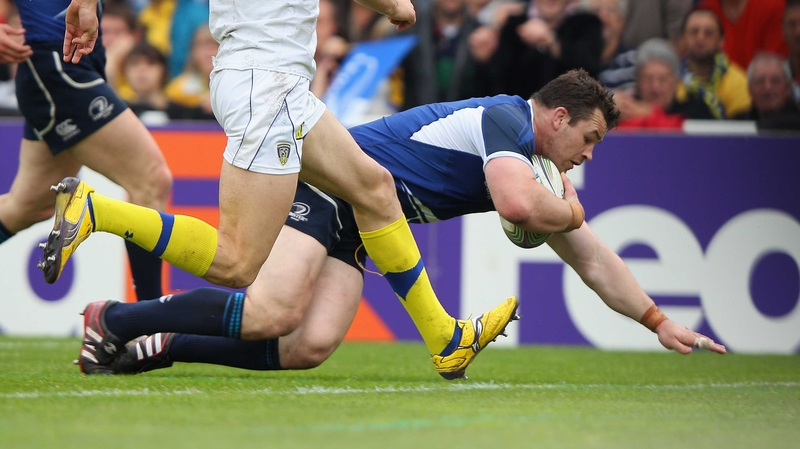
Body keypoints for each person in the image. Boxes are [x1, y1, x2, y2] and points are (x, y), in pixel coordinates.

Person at [76, 70, 726, 377]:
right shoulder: (509, 120)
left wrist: (657, 319)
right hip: (330, 186)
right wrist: (574, 208)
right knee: (269, 308)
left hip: (359, 225)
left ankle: (160, 345)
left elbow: (591, 258)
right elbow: (519, 207)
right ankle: (116, 316)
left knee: (310, 344)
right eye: (589, 139)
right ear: (558, 117)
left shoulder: (536, 163)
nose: (587, 155)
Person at [51, 0, 518, 380]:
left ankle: (444, 337)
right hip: (265, 83)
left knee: (375, 188)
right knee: (236, 262)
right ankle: (96, 212)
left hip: (278, 83)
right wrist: (393, 5)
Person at [0, 0, 171, 302]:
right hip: (56, 59)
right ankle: (149, 325)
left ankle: (147, 322)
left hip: (72, 56)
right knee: (151, 180)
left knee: (30, 204)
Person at [615, 38, 714, 129]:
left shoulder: (695, 109)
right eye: (648, 79)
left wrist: (652, 113)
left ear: (676, 83)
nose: (655, 87)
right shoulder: (626, 109)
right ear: (637, 82)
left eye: (663, 79)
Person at [679, 7, 750, 119]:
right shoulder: (671, 81)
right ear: (683, 39)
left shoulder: (739, 82)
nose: (700, 38)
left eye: (709, 33)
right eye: (694, 32)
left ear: (721, 40)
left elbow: (739, 131)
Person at [734, 52, 800, 131]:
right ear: (749, 89)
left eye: (775, 81)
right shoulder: (736, 125)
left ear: (788, 88)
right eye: (760, 81)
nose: (767, 88)